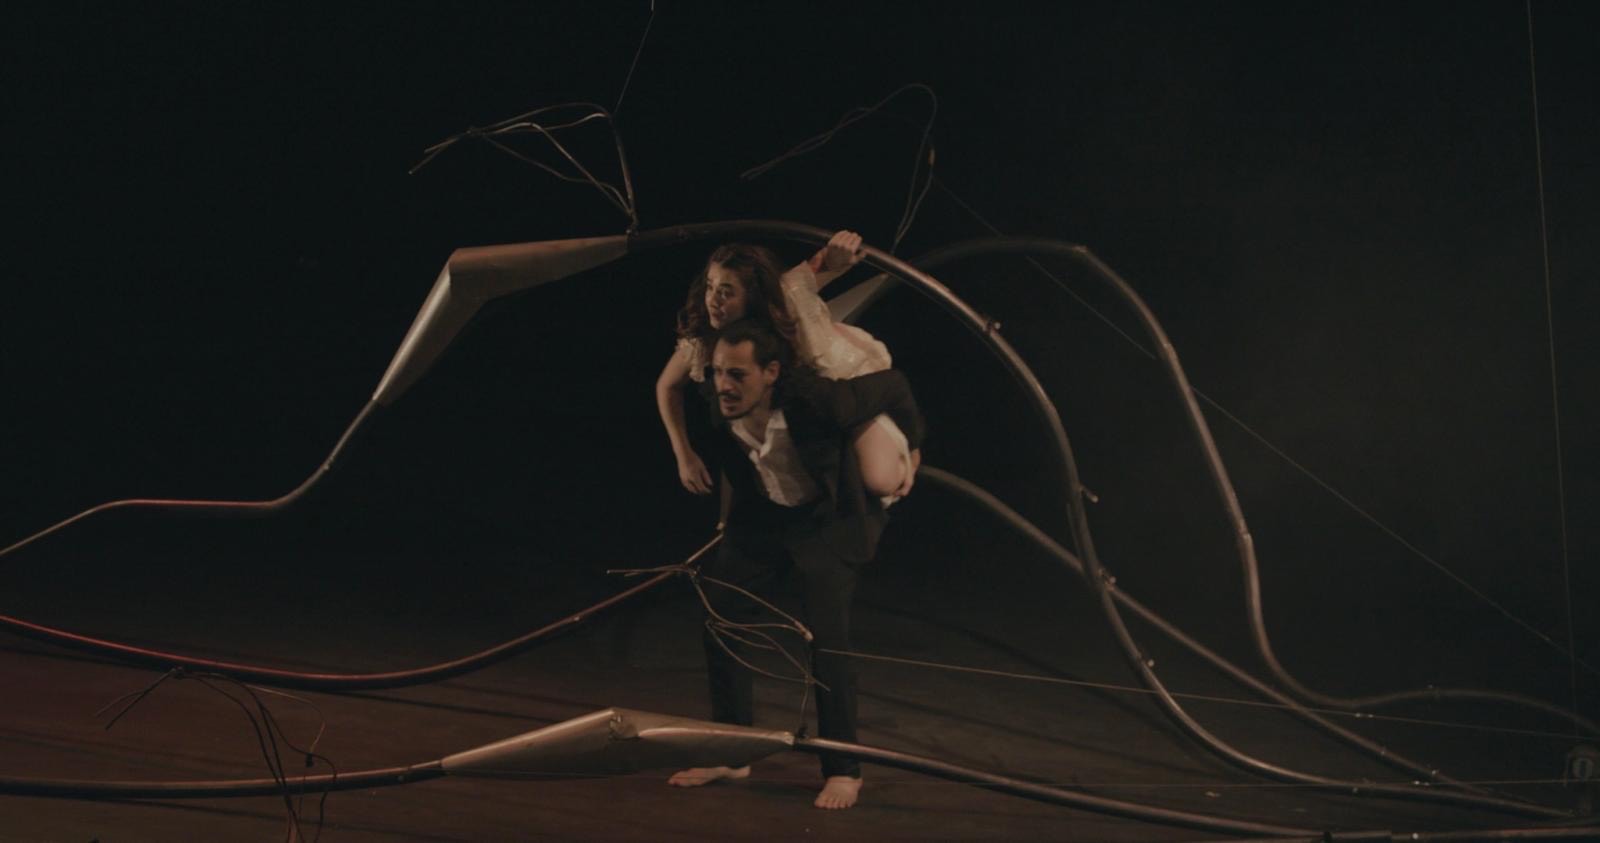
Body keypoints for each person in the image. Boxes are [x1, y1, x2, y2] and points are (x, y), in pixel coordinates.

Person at [665, 318, 925, 809]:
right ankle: (733, 753)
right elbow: (735, 464)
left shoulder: (822, 403)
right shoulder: (717, 406)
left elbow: (895, 385)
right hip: (763, 519)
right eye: (718, 372)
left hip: (826, 523)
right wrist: (727, 521)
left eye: (737, 374)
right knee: (721, 617)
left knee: (827, 642)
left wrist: (911, 447)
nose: (723, 384)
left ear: (771, 373)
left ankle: (843, 769)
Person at [655, 232, 919, 504]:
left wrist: (838, 252)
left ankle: (904, 450)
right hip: (805, 414)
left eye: (726, 292)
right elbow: (667, 385)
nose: (713, 300)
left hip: (848, 385)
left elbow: (822, 264)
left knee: (879, 479)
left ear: (751, 296)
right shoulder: (706, 338)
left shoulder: (782, 299)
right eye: (710, 287)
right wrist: (684, 455)